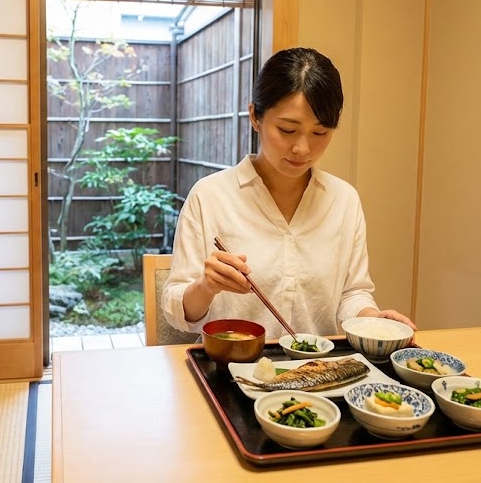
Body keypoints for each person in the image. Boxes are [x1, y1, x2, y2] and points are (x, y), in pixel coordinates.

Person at [161, 47, 415, 339]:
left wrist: (373, 320)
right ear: (255, 116)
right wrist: (206, 286)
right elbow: (176, 310)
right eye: (287, 130)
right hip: (233, 368)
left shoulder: (343, 200)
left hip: (318, 372)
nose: (302, 149)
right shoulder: (210, 197)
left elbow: (352, 294)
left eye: (320, 133)